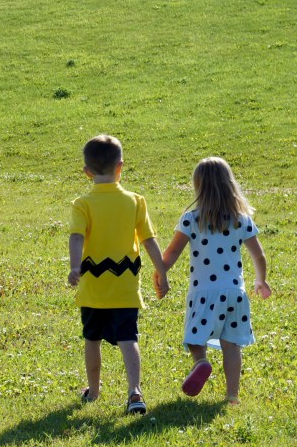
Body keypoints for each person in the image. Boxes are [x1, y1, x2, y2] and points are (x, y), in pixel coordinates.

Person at [68, 135, 169, 415]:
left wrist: (75, 266)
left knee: (92, 339)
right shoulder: (135, 202)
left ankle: (94, 390)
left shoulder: (83, 204)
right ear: (120, 167)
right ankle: (135, 391)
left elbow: (76, 237)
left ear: (87, 171)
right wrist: (162, 272)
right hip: (125, 287)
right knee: (128, 338)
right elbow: (149, 240)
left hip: (93, 289)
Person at [158, 157, 272, 405]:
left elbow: (173, 251)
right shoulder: (241, 219)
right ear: (230, 185)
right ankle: (232, 396)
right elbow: (258, 254)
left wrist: (161, 270)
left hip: (204, 292)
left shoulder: (191, 219)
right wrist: (260, 281)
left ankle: (201, 362)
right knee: (232, 345)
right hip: (235, 293)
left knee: (194, 337)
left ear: (199, 187)